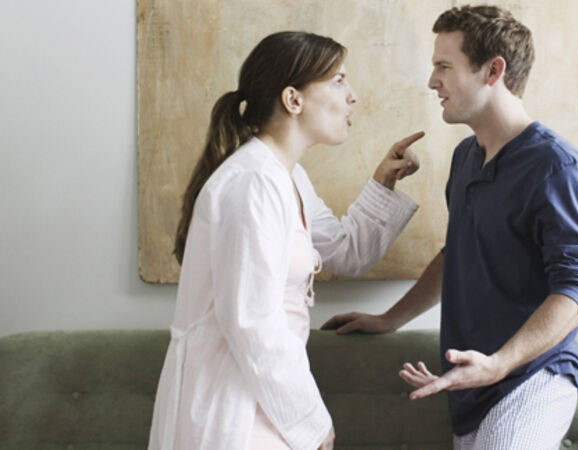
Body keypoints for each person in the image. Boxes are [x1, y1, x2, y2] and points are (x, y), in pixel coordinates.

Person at [322, 5, 578, 449]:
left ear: (493, 71)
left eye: (444, 66)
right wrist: (389, 318)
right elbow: (457, 253)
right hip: (471, 386)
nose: (432, 81)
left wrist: (500, 363)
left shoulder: (559, 167)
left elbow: (577, 289)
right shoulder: (466, 158)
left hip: (533, 378)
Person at [148, 31, 423, 450]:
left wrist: (384, 181)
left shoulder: (286, 176)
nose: (352, 96)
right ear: (293, 100)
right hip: (236, 406)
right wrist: (311, 421)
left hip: (264, 400)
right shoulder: (253, 181)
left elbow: (346, 251)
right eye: (338, 80)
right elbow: (252, 322)